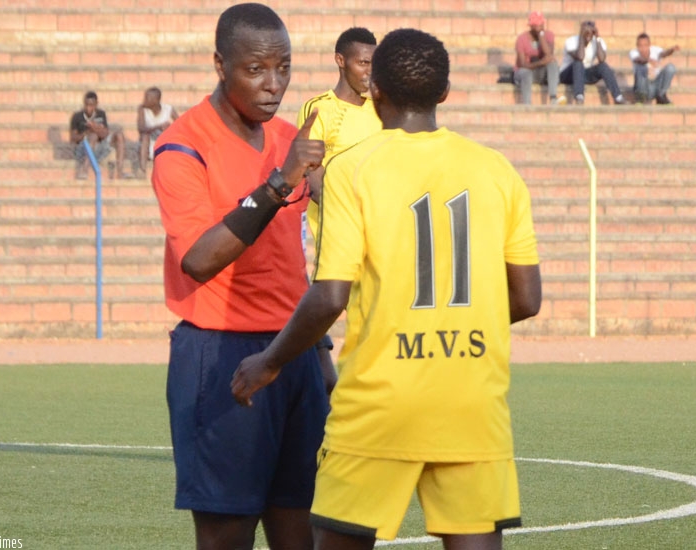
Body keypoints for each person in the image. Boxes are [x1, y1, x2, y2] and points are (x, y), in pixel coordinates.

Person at [232, 28, 542, 550]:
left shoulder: (352, 169)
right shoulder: (498, 172)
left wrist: (268, 362)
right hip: (471, 398)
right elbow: (527, 299)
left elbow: (330, 295)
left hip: (381, 400)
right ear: (444, 94)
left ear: (374, 90)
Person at [150, 4, 330, 550]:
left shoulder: (287, 138)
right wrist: (279, 183)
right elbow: (200, 259)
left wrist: (318, 352)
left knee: (301, 527)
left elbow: (294, 257)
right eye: (256, 70)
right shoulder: (182, 145)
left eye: (284, 67)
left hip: (294, 351)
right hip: (221, 357)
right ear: (220, 64)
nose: (273, 84)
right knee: (227, 533)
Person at [296, 26, 381, 239]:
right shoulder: (318, 109)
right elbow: (315, 183)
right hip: (338, 237)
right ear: (340, 61)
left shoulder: (382, 110)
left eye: (374, 64)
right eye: (363, 63)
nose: (370, 71)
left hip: (378, 234)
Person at [560, 20, 627, 105]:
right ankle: (579, 96)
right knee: (578, 63)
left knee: (603, 66)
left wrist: (597, 37)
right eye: (586, 31)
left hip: (584, 74)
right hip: (568, 74)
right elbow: (580, 57)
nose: (588, 34)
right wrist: (582, 37)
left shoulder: (597, 41)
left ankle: (618, 97)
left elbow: (602, 59)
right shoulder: (571, 41)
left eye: (590, 31)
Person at [69, 90, 130, 179]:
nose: (88, 108)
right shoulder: (77, 116)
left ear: (96, 104)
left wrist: (94, 127)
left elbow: (105, 134)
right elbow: (73, 138)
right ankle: (85, 171)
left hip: (101, 147)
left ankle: (120, 172)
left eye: (91, 105)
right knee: (93, 136)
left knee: (119, 135)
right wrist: (87, 133)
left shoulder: (101, 114)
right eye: (86, 105)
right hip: (84, 148)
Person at [514, 11, 563, 105]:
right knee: (526, 73)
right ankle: (527, 104)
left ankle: (553, 98)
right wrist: (541, 63)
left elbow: (549, 55)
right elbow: (522, 64)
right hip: (524, 73)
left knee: (553, 63)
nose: (539, 28)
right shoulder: (522, 39)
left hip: (540, 73)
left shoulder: (548, 35)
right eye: (536, 25)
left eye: (541, 25)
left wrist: (541, 36)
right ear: (530, 26)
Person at [137, 86, 178, 176]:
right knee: (145, 136)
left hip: (164, 141)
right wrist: (158, 127)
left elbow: (181, 126)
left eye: (147, 98)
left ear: (155, 100)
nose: (144, 100)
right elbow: (141, 128)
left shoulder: (168, 109)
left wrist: (170, 128)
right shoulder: (142, 109)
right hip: (148, 141)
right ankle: (142, 169)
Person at [630, 33, 680, 105]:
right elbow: (638, 60)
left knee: (670, 68)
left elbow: (664, 54)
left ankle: (661, 95)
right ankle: (641, 97)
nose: (643, 48)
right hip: (643, 86)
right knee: (641, 67)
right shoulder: (634, 52)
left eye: (645, 45)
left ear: (649, 45)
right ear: (637, 46)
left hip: (655, 85)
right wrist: (649, 60)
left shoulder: (655, 50)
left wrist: (671, 50)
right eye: (640, 46)